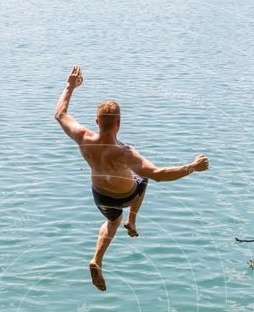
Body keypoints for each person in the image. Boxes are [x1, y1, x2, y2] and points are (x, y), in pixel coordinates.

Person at [54, 65, 209, 291]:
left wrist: (70, 86)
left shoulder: (83, 137)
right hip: (125, 196)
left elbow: (60, 114)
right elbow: (158, 175)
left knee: (112, 222)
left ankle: (97, 259)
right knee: (143, 178)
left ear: (97, 122)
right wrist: (192, 167)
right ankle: (133, 219)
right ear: (119, 123)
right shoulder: (125, 154)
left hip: (100, 197)